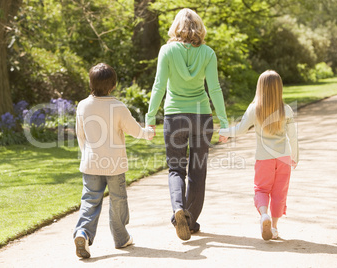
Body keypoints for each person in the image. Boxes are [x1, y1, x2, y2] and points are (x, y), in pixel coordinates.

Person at [145, 8, 229, 241]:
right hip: (202, 117)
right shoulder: (208, 53)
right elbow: (214, 88)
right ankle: (189, 221)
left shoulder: (167, 50)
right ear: (199, 28)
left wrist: (150, 118)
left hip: (175, 118)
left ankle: (178, 209)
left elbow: (159, 86)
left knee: (175, 169)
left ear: (176, 27)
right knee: (197, 170)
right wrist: (223, 121)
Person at [73, 63, 154, 258]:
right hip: (114, 164)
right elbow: (135, 130)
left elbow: (80, 134)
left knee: (90, 200)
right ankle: (121, 238)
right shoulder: (118, 106)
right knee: (118, 200)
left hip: (91, 162)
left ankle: (82, 232)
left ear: (90, 83)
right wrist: (147, 133)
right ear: (113, 86)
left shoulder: (83, 105)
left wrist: (86, 153)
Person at [219, 70, 299, 240]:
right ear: (279, 89)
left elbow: (240, 130)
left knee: (262, 189)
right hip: (284, 158)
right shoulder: (286, 110)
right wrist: (295, 156)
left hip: (264, 159)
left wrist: (223, 132)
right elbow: (293, 136)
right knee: (279, 192)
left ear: (260, 88)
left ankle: (264, 215)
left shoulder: (254, 109)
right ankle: (275, 228)